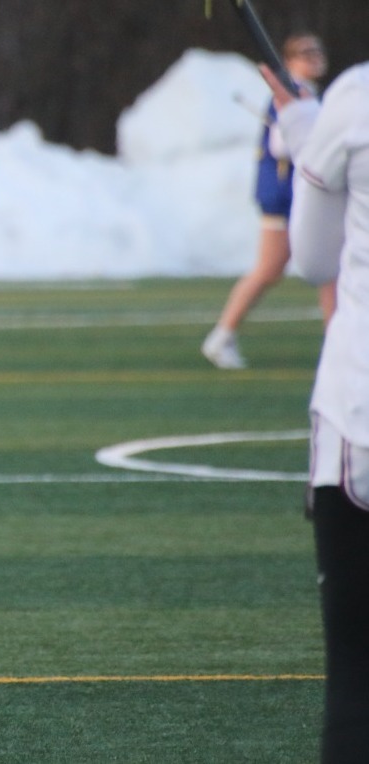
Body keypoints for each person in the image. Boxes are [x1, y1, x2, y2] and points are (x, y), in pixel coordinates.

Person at [263, 58, 369, 762]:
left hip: (360, 416)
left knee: (356, 682)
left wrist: (306, 132)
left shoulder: (356, 99)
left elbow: (312, 258)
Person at [202, 32, 334, 369]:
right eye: (305, 52)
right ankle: (221, 335)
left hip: (303, 195)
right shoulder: (289, 96)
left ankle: (337, 343)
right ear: (289, 61)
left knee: (331, 269)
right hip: (284, 194)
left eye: (317, 50)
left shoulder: (310, 96)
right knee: (272, 268)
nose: (315, 56)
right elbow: (281, 146)